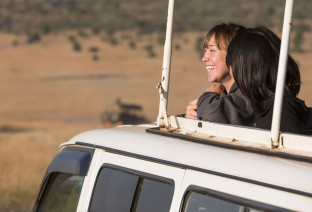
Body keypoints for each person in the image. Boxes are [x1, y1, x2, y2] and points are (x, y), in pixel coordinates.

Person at [226, 26, 310, 133]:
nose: (231, 70)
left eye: (232, 64)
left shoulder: (281, 110)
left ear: (246, 69)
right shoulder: (261, 108)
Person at [185, 23, 254, 126]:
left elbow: (214, 115)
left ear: (234, 54)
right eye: (205, 51)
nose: (204, 58)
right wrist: (192, 116)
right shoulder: (225, 96)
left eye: (212, 50)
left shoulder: (250, 93)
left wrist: (207, 99)